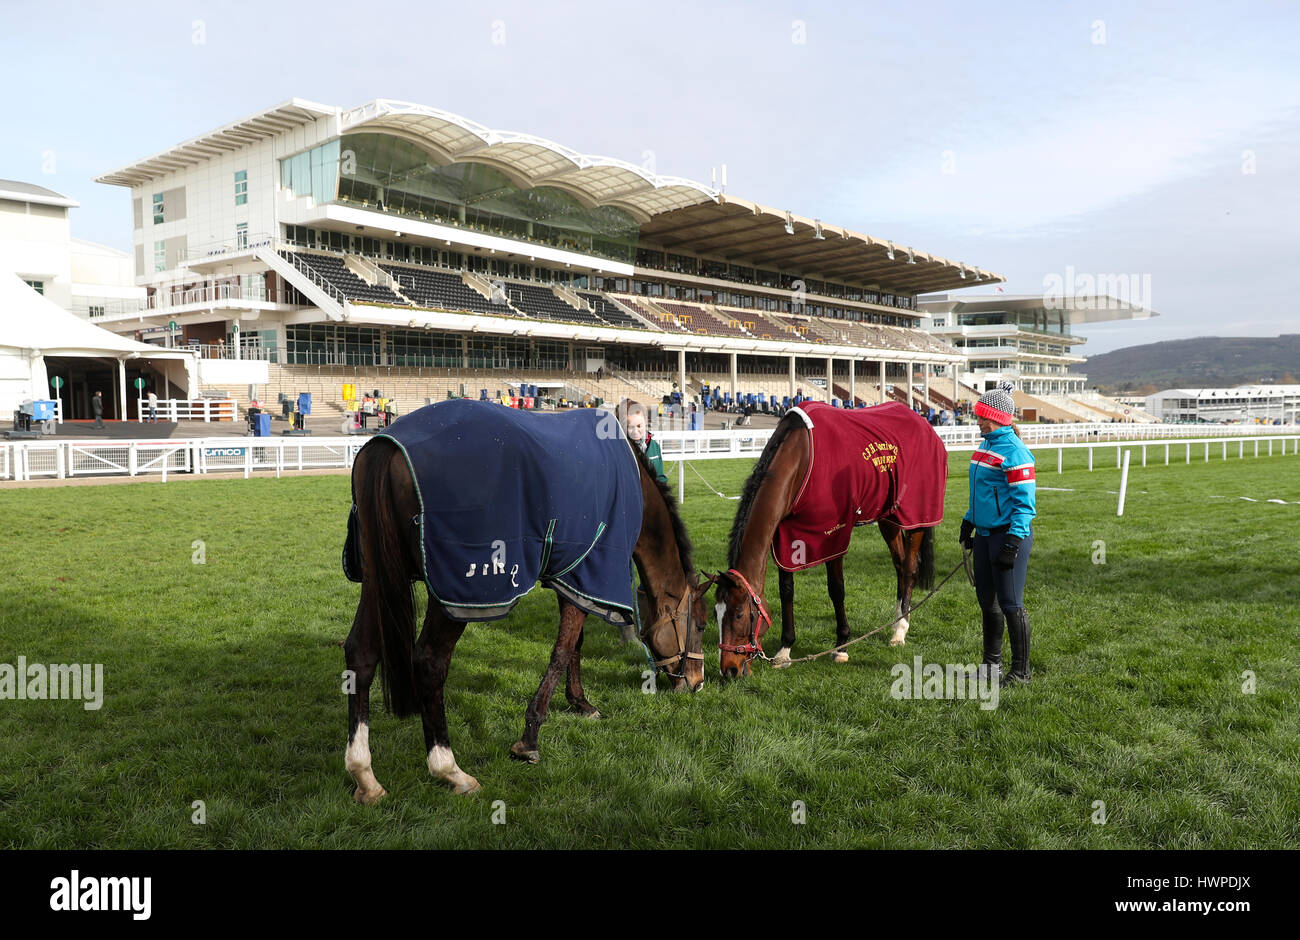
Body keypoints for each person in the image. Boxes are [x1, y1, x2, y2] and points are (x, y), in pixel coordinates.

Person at [959, 381, 1037, 686]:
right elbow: (982, 492)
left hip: (1008, 537)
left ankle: (1021, 672)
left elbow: (1025, 505)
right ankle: (990, 667)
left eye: (981, 417)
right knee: (986, 602)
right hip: (986, 535)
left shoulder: (1016, 453)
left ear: (998, 418)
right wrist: (969, 522)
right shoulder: (985, 445)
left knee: (1010, 604)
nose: (977, 421)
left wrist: (1013, 542)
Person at [624, 402, 667, 486]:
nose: (635, 431)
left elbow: (660, 477)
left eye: (639, 426)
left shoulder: (654, 446)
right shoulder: (621, 448)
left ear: (646, 421)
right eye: (631, 427)